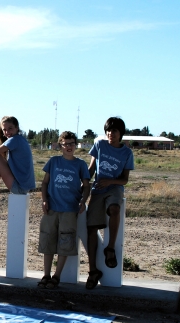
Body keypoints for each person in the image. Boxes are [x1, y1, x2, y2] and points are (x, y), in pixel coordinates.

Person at [85, 117, 134, 290]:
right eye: (108, 131)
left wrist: (110, 182)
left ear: (120, 133)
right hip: (98, 189)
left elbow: (125, 180)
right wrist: (83, 185)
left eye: (114, 131)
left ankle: (110, 248)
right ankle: (92, 271)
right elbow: (91, 170)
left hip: (114, 188)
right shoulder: (99, 145)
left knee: (114, 209)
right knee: (91, 228)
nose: (110, 134)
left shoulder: (126, 153)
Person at [37, 131, 90, 289]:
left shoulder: (80, 164)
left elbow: (86, 186)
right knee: (48, 241)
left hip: (69, 209)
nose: (69, 147)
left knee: (65, 243)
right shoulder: (53, 162)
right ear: (60, 145)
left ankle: (56, 276)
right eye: (65, 144)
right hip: (52, 208)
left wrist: (83, 201)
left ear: (76, 145)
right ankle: (46, 275)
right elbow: (45, 183)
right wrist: (44, 200)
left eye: (72, 143)